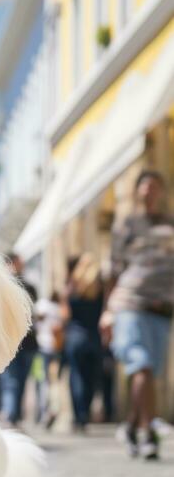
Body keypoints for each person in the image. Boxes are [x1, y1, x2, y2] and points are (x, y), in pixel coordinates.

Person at [100, 170, 174, 460]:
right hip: (130, 304)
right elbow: (113, 271)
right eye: (144, 186)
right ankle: (149, 433)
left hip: (162, 308)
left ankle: (131, 425)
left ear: (161, 191)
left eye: (154, 186)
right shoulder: (127, 226)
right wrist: (107, 311)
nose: (149, 191)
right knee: (141, 365)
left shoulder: (170, 223)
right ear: (137, 192)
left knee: (147, 373)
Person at [62, 254, 104, 431]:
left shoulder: (72, 288)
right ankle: (85, 411)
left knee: (76, 376)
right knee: (91, 378)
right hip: (94, 337)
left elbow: (65, 315)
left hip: (75, 337)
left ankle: (80, 416)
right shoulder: (100, 289)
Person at [0, 253, 37, 427]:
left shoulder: (27, 287)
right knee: (15, 381)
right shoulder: (5, 287)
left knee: (16, 381)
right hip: (20, 342)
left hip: (23, 342)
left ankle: (13, 416)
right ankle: (12, 416)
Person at [34, 290, 63, 428]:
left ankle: (43, 412)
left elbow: (35, 321)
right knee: (53, 380)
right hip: (56, 348)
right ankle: (51, 409)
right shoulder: (59, 308)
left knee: (41, 380)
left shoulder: (42, 305)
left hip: (41, 347)